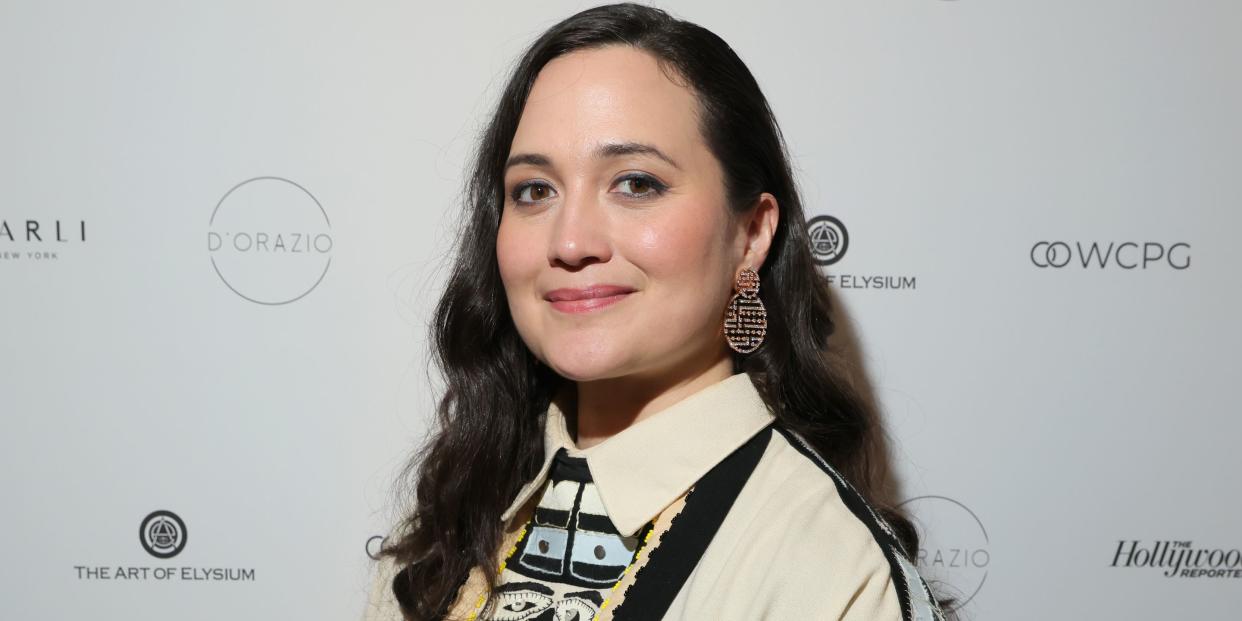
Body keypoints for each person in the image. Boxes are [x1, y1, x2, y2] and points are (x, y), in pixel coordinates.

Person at [361, 3, 955, 620]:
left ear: (750, 233)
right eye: (535, 190)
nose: (569, 242)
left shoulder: (831, 570)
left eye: (636, 183)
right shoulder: (446, 524)